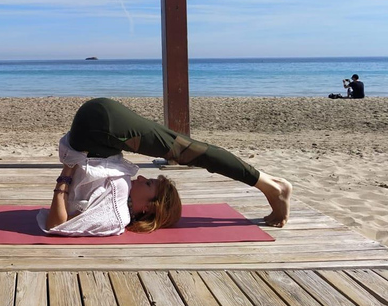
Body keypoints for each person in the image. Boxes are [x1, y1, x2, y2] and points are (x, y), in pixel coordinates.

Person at [37, 98, 292, 236]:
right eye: (149, 181)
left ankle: (270, 186)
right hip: (100, 128)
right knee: (190, 151)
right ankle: (269, 185)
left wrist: (66, 175)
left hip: (100, 126)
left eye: (149, 183)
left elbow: (55, 225)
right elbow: (58, 223)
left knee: (192, 151)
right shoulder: (116, 212)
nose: (142, 177)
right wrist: (66, 174)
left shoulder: (116, 213)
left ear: (148, 206)